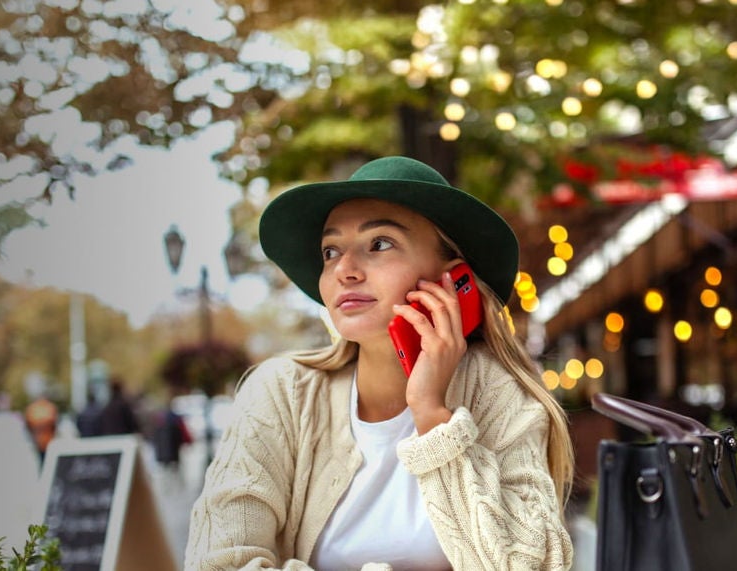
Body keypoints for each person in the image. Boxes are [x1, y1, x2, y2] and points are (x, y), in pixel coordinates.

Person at [185, 156, 574, 570]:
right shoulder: (280, 393)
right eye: (330, 251)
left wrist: (432, 417)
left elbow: (536, 565)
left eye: (380, 243)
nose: (344, 270)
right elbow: (217, 562)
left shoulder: (500, 395)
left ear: (452, 280)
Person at [24, 393, 58, 467]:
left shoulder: (32, 409)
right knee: (47, 460)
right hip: (48, 439)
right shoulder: (50, 408)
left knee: (41, 459)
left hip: (38, 439)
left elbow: (28, 425)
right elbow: (54, 424)